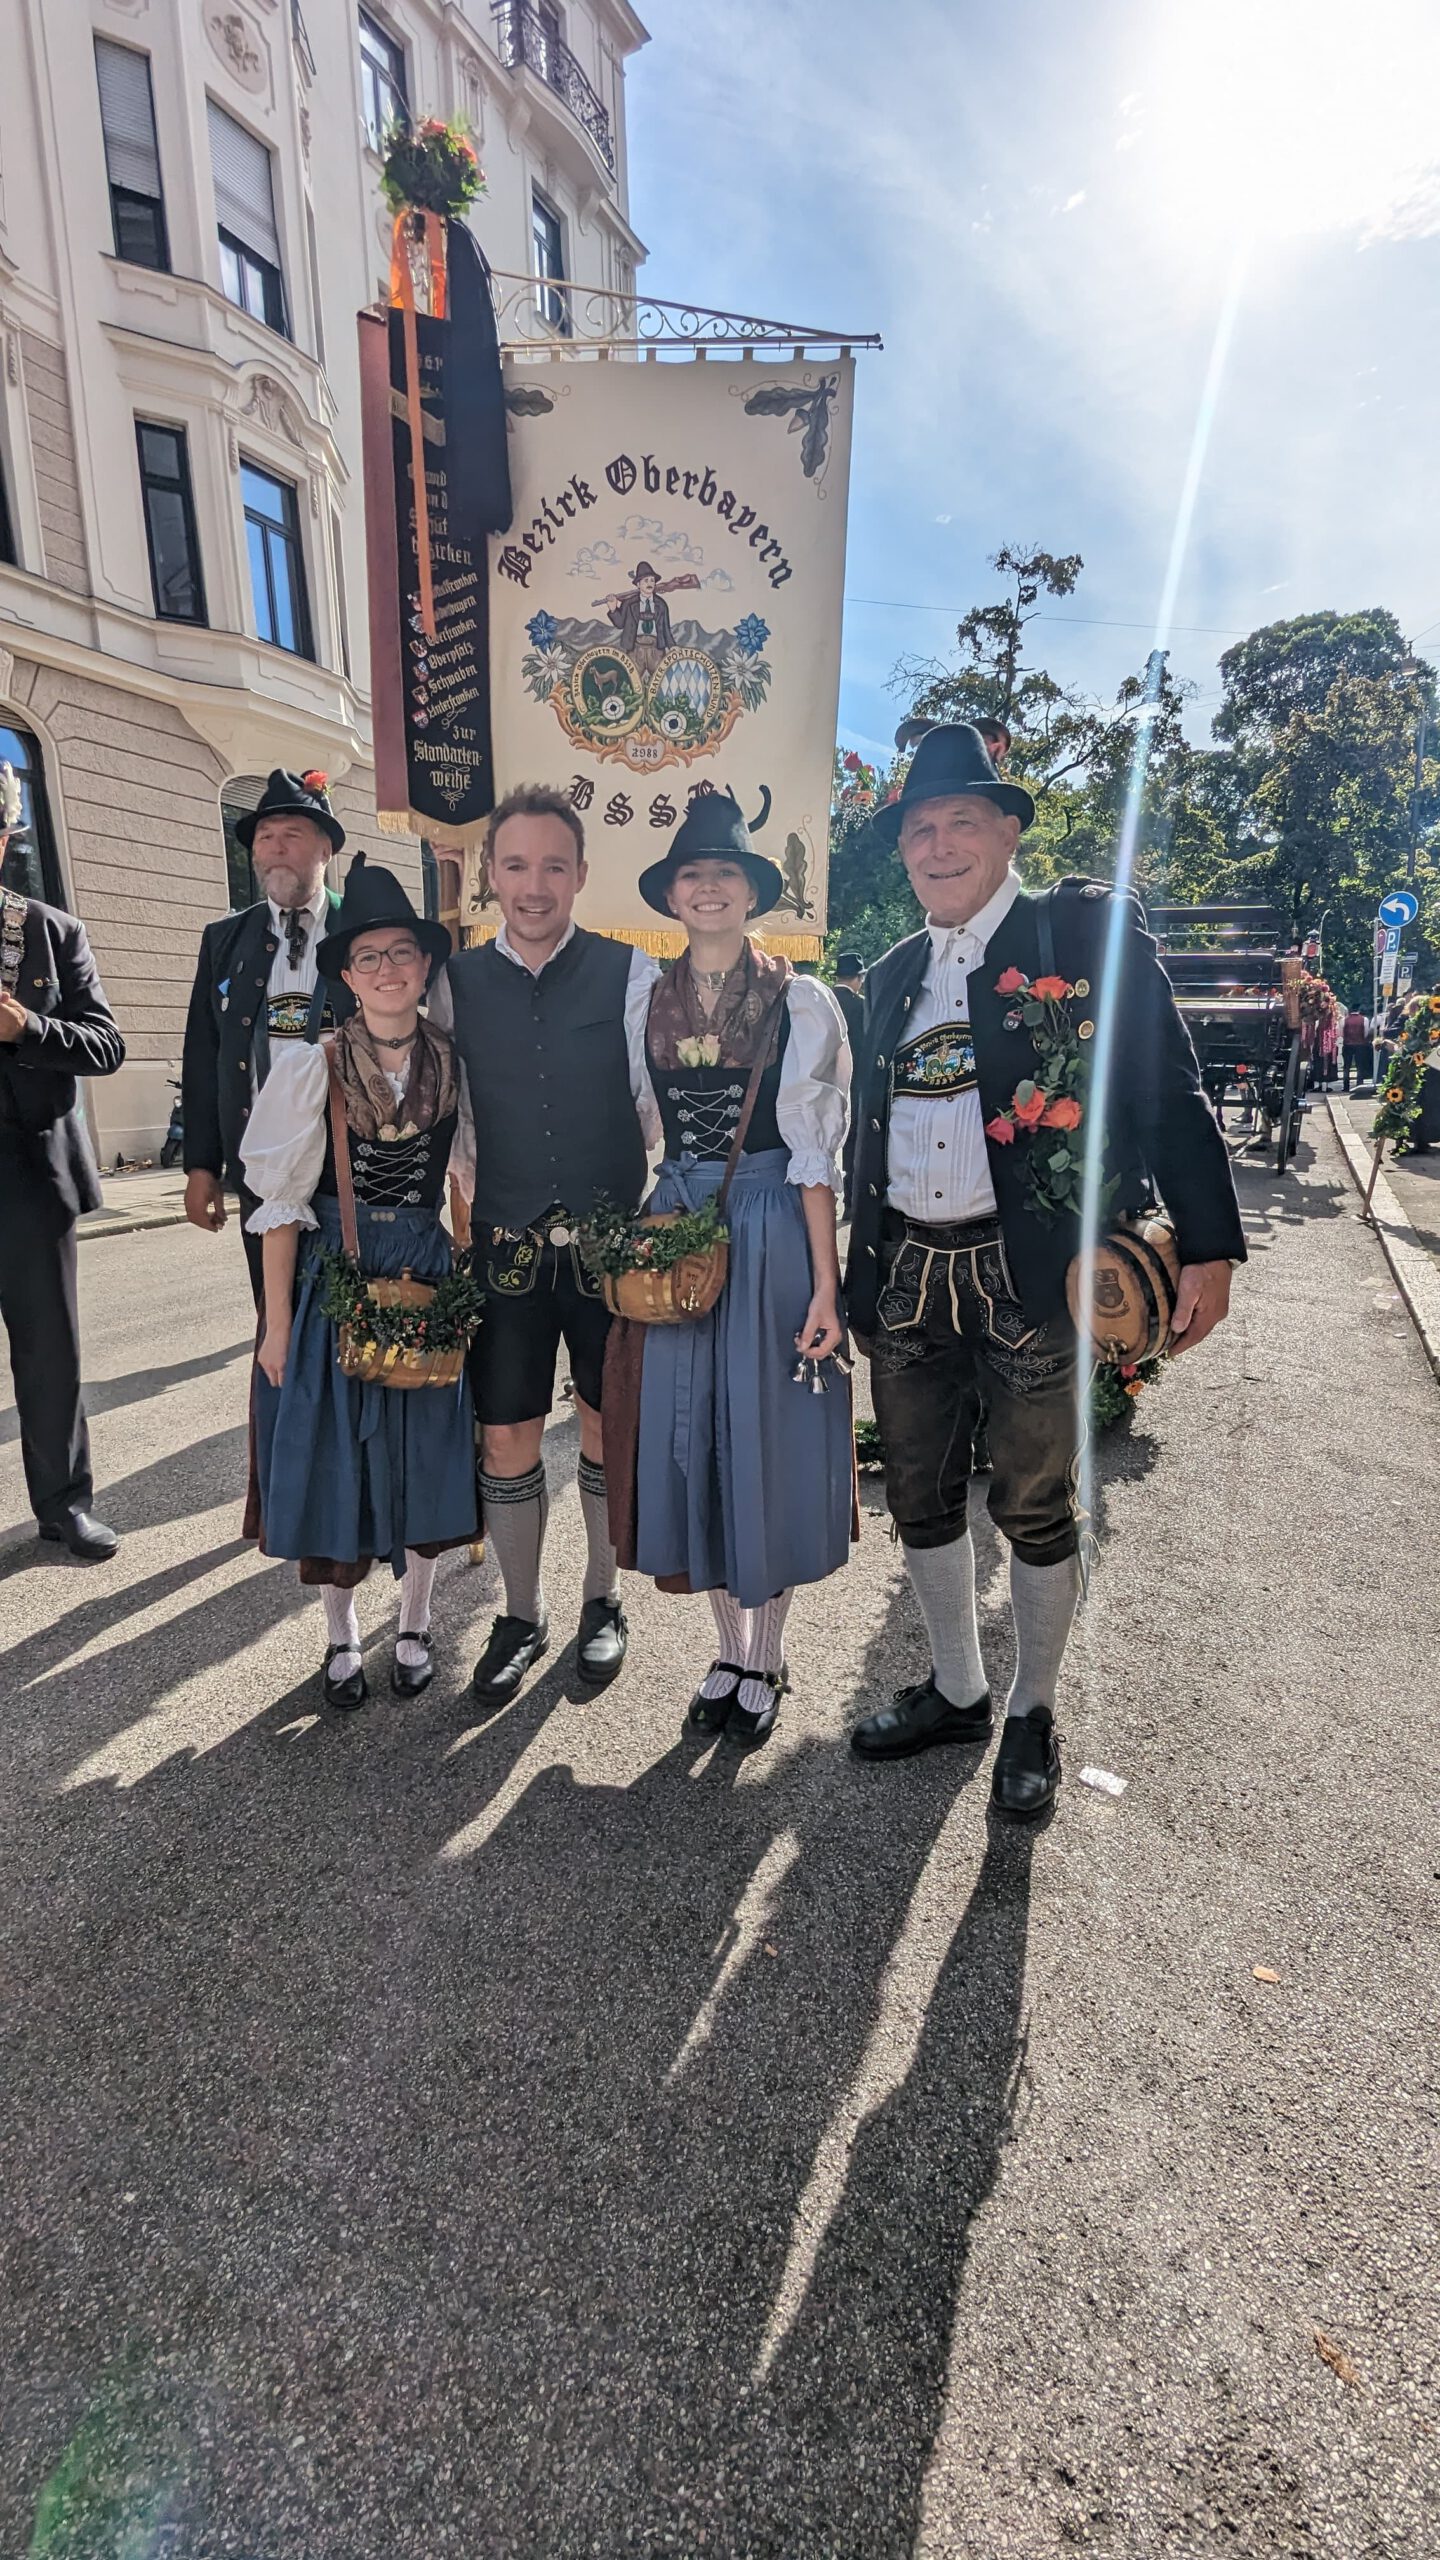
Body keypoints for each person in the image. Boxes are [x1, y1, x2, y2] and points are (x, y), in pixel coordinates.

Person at [845, 723, 1245, 1819]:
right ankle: (959, 1689)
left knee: (1035, 1500)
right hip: (909, 1268)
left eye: (961, 822)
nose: (936, 845)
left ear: (1009, 830)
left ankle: (1032, 1706)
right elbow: (865, 1138)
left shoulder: (1080, 934)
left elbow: (1168, 1089)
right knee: (919, 1492)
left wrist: (1206, 1242)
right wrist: (855, 1277)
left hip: (1037, 1273)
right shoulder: (887, 975)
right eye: (919, 829)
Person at [604, 787, 854, 1745]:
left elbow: (815, 1152)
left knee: (769, 1432)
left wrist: (827, 1285)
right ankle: (725, 1645)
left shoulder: (801, 1000)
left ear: (753, 894)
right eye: (692, 875)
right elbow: (636, 1126)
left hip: (772, 1221)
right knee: (692, 1433)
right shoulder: (643, 1000)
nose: (708, 889)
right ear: (672, 895)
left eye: (726, 875)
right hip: (679, 1225)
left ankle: (769, 1651)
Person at [430, 786, 661, 1705]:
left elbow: (653, 1109)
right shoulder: (455, 981)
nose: (534, 886)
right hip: (505, 1247)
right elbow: (450, 1120)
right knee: (507, 1434)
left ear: (579, 875)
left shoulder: (629, 971)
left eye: (552, 866)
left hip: (605, 1248)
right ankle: (521, 1613)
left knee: (606, 1425)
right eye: (516, 865)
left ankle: (603, 1603)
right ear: (491, 874)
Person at [241, 857, 476, 1707]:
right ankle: (340, 1634)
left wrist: (469, 1279)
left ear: (425, 967)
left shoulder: (455, 1064)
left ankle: (413, 1623)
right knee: (339, 1459)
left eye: (402, 953)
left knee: (428, 1460)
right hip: (332, 1275)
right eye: (368, 956)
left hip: (424, 1270)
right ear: (345, 974)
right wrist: (274, 1325)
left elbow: (468, 1182)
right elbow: (278, 1203)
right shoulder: (314, 1066)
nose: (387, 969)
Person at [0, 766, 124, 1560]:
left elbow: (106, 1045)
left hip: (31, 1174)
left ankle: (64, 1503)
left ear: (4, 835)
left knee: (50, 1350)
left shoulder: (49, 930)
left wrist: (28, 1030)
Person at [182, 768, 355, 1309]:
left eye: (292, 836)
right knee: (275, 1317)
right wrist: (202, 1166)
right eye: (265, 837)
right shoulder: (225, 939)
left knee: (351, 1314)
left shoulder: (366, 927)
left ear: (325, 848)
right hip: (262, 1162)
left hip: (352, 1160)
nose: (276, 850)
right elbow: (203, 1053)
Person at [832, 952, 866, 1216]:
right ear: (859, 978)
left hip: (824, 1082)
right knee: (853, 1141)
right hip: (855, 1083)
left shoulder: (824, 1001)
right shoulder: (862, 1006)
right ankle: (851, 1203)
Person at [1341, 1000, 1373, 1093]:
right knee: (1360, 1066)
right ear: (1359, 1010)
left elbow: (1341, 1033)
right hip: (1360, 1045)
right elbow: (1366, 1032)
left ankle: (1346, 1086)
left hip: (1347, 1045)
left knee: (1346, 1066)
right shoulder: (1364, 1019)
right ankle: (1359, 1084)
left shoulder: (1344, 1020)